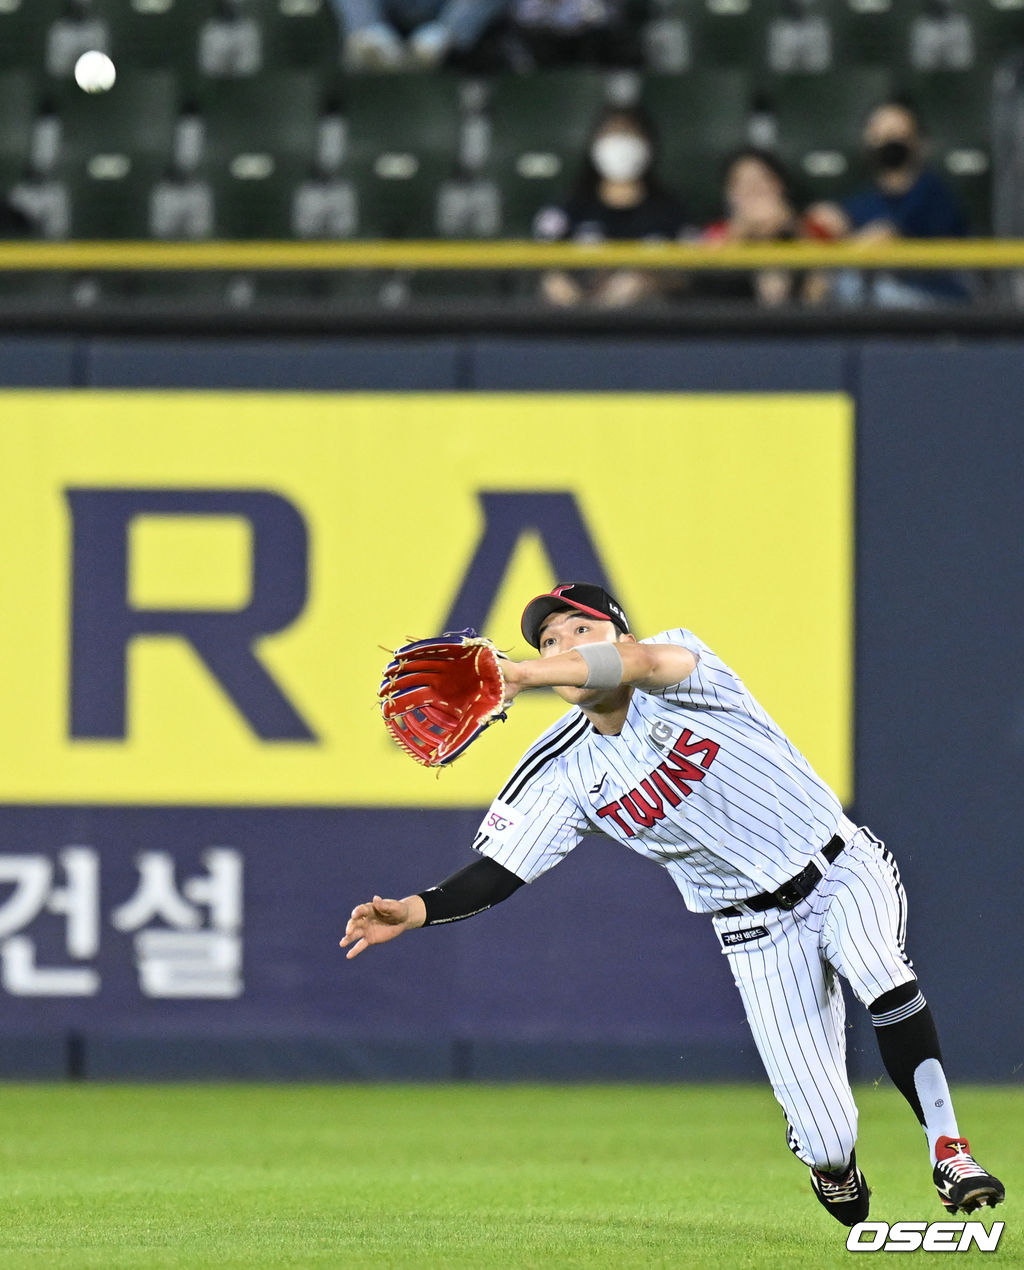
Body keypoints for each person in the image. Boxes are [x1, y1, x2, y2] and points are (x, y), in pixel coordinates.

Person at [343, 582, 1006, 1227]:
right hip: (756, 932)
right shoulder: (560, 768)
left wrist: (525, 672)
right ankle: (831, 1164)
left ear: (619, 633)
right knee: (828, 1138)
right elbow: (499, 872)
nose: (564, 643)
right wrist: (417, 908)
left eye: (581, 629)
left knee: (880, 968)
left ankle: (950, 1151)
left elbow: (643, 662)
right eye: (550, 637)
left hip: (839, 868)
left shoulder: (681, 666)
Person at [810, 99, 972, 308]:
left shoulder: (933, 191)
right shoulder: (861, 200)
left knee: (849, 285)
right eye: (882, 135)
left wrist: (846, 246)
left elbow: (885, 235)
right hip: (881, 309)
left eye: (898, 134)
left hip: (938, 302)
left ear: (917, 141)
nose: (890, 141)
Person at [533, 107, 690, 308]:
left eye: (629, 133)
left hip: (648, 327)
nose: (620, 143)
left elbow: (688, 275)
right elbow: (539, 261)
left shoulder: (671, 210)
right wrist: (556, 281)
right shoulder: (569, 206)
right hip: (575, 325)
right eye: (612, 133)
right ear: (594, 143)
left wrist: (649, 282)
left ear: (649, 143)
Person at [700, 147, 830, 306]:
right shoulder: (716, 231)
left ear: (780, 186)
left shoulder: (807, 226)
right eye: (743, 183)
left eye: (763, 181)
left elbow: (822, 288)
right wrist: (740, 233)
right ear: (729, 194)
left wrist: (792, 227)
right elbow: (704, 284)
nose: (755, 191)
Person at [329, 0, 508, 69]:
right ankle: (368, 36)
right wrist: (368, 27)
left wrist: (446, 32)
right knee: (367, 39)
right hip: (388, 19)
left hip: (449, 24)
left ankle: (442, 38)